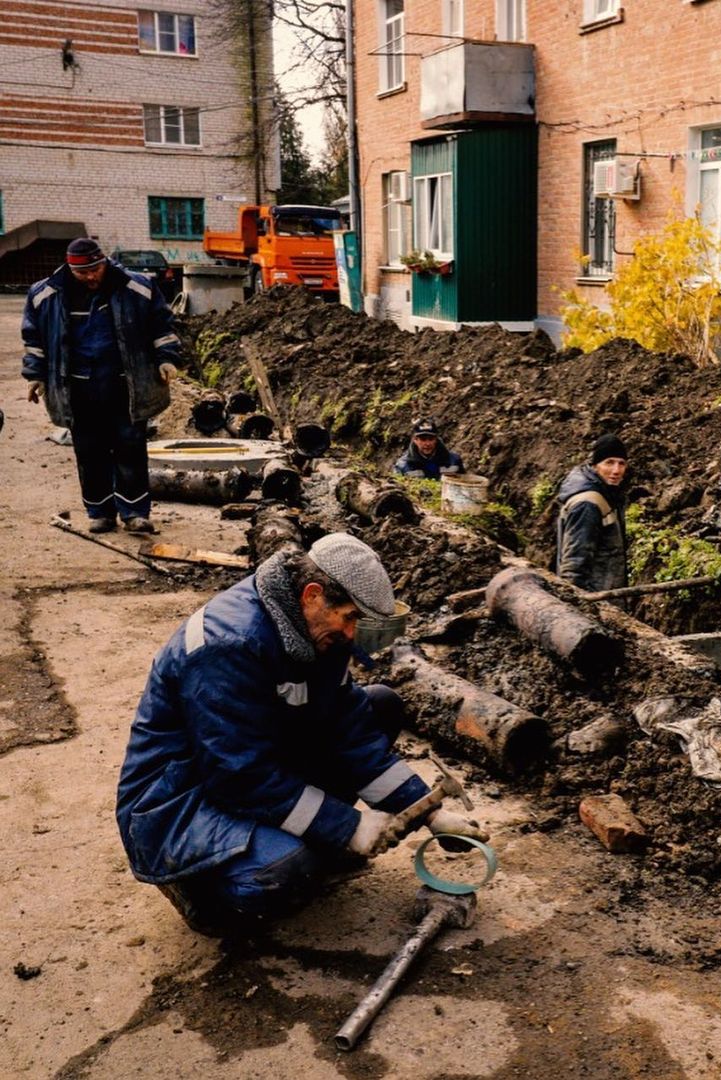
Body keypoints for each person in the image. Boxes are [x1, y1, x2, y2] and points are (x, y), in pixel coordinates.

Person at [115, 533, 488, 936]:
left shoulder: (313, 630)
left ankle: (306, 843)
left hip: (247, 763)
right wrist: (348, 827)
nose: (351, 634)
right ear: (312, 595)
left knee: (378, 706)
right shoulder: (227, 645)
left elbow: (349, 730)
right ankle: (198, 891)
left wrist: (429, 811)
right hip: (180, 801)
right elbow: (240, 776)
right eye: (348, 618)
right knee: (284, 873)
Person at [21, 237, 180, 535]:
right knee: (89, 451)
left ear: (104, 262)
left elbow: (162, 326)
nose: (92, 277)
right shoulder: (45, 295)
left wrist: (166, 358)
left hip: (125, 385)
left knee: (130, 448)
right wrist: (34, 376)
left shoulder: (137, 287)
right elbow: (34, 340)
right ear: (70, 269)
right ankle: (100, 512)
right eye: (83, 273)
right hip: (78, 389)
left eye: (96, 269)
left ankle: (134, 513)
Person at [555, 433, 629, 593]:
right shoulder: (588, 504)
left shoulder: (608, 495)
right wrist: (577, 603)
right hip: (596, 600)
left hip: (605, 596)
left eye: (621, 463)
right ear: (595, 466)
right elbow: (574, 563)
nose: (616, 470)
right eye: (609, 463)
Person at [394, 417, 464, 480]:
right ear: (415, 440)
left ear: (436, 439)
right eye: (423, 439)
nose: (427, 443)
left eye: (431, 439)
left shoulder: (454, 461)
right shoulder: (403, 465)